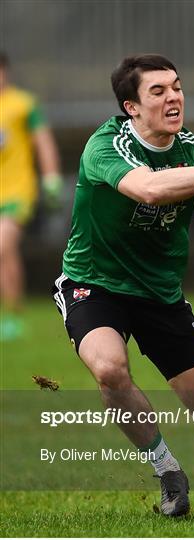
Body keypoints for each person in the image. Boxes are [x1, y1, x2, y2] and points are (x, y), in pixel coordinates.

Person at [52, 54, 194, 517]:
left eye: (176, 87)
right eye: (157, 91)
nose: (173, 97)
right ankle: (167, 471)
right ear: (131, 106)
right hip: (94, 283)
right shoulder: (106, 145)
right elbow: (150, 188)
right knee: (109, 369)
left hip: (160, 292)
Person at [0, 52, 63, 341]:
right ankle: (10, 312)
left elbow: (43, 142)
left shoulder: (23, 104)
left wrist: (51, 179)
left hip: (16, 191)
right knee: (5, 254)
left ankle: (13, 316)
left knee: (2, 247)